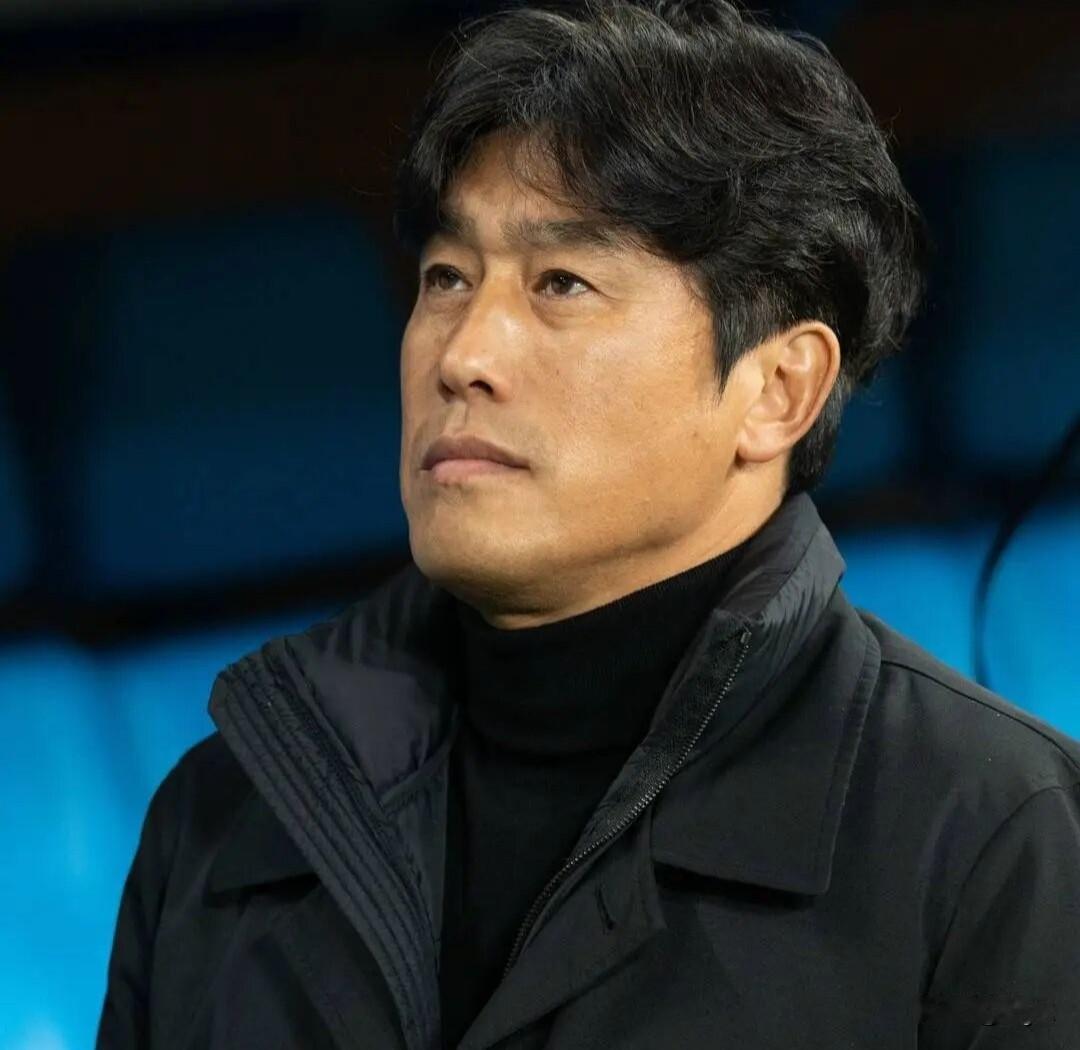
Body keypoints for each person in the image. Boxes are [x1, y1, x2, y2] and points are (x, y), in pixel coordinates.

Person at [96, 1, 1080, 1047]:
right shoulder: (226, 815)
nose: (462, 355)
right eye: (446, 278)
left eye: (561, 283)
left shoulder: (990, 838)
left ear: (779, 390)